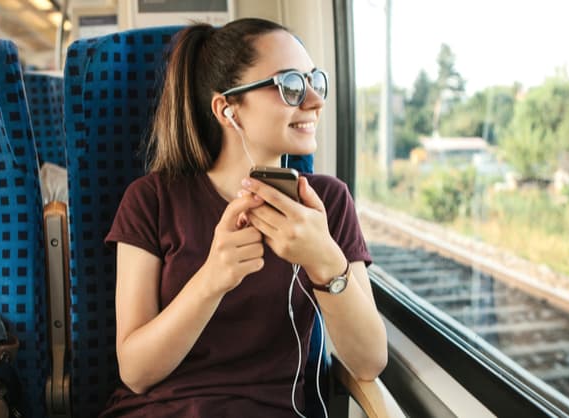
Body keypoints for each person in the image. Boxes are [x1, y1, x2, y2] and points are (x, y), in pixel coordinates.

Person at [101, 18, 387, 418]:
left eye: (314, 82)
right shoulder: (151, 200)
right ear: (227, 108)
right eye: (290, 85)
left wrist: (324, 259)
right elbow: (135, 373)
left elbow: (369, 361)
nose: (315, 101)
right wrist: (212, 279)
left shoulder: (328, 202)